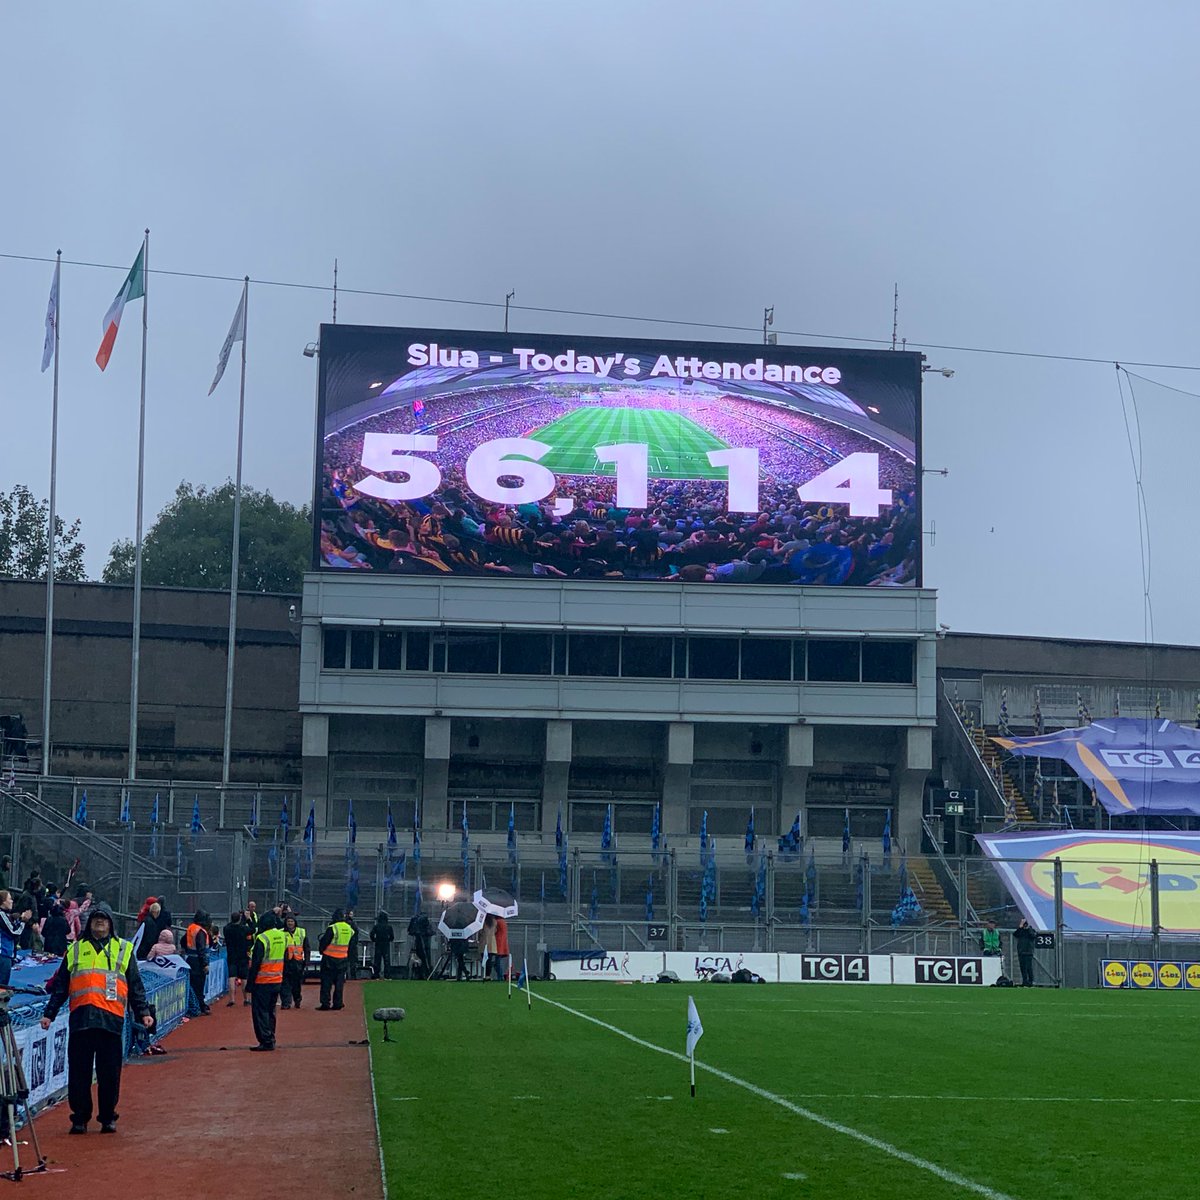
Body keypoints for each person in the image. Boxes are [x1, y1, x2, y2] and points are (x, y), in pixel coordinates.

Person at [40, 902, 153, 1133]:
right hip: (81, 1021)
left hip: (110, 1022)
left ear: (111, 924)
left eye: (104, 919)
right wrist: (49, 1014)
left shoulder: (123, 949)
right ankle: (80, 1118)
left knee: (109, 1074)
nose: (99, 922)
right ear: (89, 923)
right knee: (79, 1074)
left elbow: (135, 985)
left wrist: (144, 1012)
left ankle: (108, 1117)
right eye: (95, 919)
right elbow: (61, 986)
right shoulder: (75, 950)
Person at [245, 918, 288, 1051]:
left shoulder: (262, 938)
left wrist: (250, 984)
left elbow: (256, 963)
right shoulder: (282, 936)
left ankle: (266, 1040)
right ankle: (271, 1037)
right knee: (271, 1011)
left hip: (263, 981)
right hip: (277, 979)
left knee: (260, 1012)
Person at [317, 909, 355, 1010]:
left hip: (329, 958)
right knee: (339, 983)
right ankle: (338, 1003)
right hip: (343, 958)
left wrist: (321, 951)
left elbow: (325, 942)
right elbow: (351, 944)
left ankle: (325, 1003)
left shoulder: (332, 928)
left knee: (326, 982)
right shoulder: (349, 929)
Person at [0, 889, 33, 988]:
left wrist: (19, 920)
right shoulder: (1, 914)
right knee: (2, 985)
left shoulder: (5, 915)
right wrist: (23, 921)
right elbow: (14, 932)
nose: (12, 901)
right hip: (3, 953)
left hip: (6, 952)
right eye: (9, 899)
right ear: (3, 901)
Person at [182, 910, 212, 1016]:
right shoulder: (200, 931)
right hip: (198, 963)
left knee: (193, 984)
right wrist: (205, 964)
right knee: (199, 985)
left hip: (190, 959)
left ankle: (196, 1005)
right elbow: (201, 949)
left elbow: (182, 941)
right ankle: (199, 1006)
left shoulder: (191, 928)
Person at [222, 911, 252, 1007]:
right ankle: (246, 999)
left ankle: (232, 999)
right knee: (244, 978)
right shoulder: (244, 928)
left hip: (231, 955)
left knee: (231, 977)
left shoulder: (226, 929)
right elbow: (253, 930)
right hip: (243, 956)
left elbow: (231, 925)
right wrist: (247, 919)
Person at [279, 914, 309, 1010]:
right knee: (285, 984)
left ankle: (297, 999)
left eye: (292, 921)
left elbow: (306, 947)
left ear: (295, 922)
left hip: (298, 962)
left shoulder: (301, 932)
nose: (290, 923)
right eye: (288, 921)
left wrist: (307, 961)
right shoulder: (281, 932)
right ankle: (286, 1003)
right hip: (286, 962)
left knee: (296, 984)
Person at [407, 909, 433, 980]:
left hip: (424, 944)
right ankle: (422, 973)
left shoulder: (426, 923)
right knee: (422, 958)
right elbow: (410, 930)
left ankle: (426, 973)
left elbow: (431, 932)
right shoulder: (418, 921)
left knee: (425, 958)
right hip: (420, 943)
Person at [369, 912, 394, 980]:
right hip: (386, 944)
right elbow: (392, 937)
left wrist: (374, 940)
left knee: (377, 960)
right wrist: (388, 940)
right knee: (387, 961)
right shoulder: (389, 926)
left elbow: (371, 934)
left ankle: (376, 975)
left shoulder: (376, 926)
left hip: (378, 944)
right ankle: (387, 975)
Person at [1014, 918, 1037, 987]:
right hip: (1021, 951)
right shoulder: (1021, 931)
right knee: (1023, 967)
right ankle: (1024, 981)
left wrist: (1028, 928)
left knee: (1029, 967)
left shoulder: (1031, 930)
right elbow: (1015, 934)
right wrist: (1020, 927)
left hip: (1028, 952)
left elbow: (1033, 935)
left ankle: (1030, 981)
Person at [492, 913, 510, 983]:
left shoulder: (497, 922)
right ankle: (501, 976)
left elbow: (494, 931)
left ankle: (500, 976)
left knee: (497, 961)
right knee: (498, 961)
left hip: (498, 943)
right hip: (503, 943)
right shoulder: (503, 922)